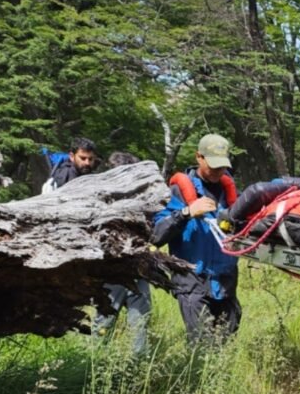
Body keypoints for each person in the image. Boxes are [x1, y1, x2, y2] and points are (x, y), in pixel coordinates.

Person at [150, 133, 241, 343]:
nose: (219, 172)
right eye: (213, 166)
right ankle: (197, 376)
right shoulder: (177, 191)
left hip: (225, 281)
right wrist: (186, 213)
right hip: (192, 280)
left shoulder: (230, 192)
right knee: (201, 343)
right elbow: (156, 235)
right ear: (198, 157)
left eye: (223, 167)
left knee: (226, 342)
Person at [92, 151, 152, 355]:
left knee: (140, 324)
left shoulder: (143, 202)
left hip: (138, 271)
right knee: (103, 324)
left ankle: (137, 372)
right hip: (111, 273)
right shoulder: (100, 202)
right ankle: (92, 368)